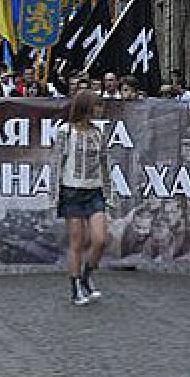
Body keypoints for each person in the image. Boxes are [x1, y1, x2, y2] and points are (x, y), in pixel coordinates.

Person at [51, 90, 114, 306]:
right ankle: (75, 284)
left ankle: (87, 274)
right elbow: (56, 164)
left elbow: (105, 164)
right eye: (97, 106)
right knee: (76, 241)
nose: (100, 110)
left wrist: (109, 193)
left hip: (94, 190)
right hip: (72, 190)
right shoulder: (65, 132)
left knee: (100, 239)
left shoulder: (98, 133)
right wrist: (54, 195)